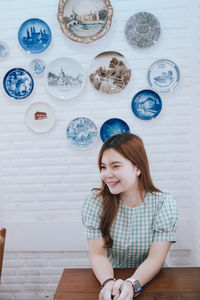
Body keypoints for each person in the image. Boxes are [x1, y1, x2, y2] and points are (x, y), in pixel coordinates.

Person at [81, 133, 178, 300]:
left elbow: (155, 258)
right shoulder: (95, 202)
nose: (106, 174)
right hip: (109, 277)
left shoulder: (164, 203)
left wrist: (132, 284)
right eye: (103, 167)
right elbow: (98, 255)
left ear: (138, 168)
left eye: (115, 166)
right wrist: (108, 283)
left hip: (152, 281)